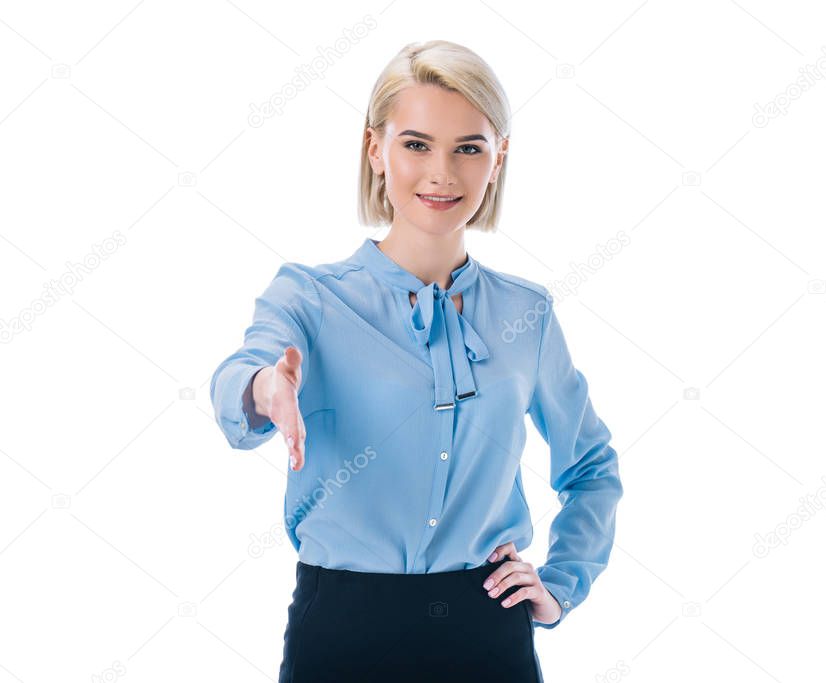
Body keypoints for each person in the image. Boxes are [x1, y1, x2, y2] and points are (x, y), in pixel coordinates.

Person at [210, 39, 624, 682]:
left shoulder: (529, 315)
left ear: (498, 157)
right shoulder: (310, 297)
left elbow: (591, 467)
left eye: (469, 148)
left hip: (488, 634)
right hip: (340, 633)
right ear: (375, 149)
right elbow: (244, 370)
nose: (443, 173)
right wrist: (267, 388)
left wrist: (562, 585)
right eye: (416, 144)